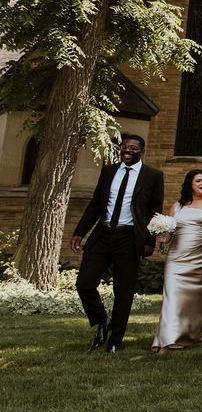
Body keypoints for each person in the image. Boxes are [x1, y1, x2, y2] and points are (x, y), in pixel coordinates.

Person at [72, 134, 164, 353]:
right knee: (84, 283)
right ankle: (102, 321)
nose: (127, 150)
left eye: (133, 147)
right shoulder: (109, 171)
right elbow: (96, 204)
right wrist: (79, 232)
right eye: (124, 146)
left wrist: (149, 241)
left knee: (124, 291)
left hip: (130, 239)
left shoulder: (153, 175)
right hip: (103, 235)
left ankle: (115, 339)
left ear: (142, 150)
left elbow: (155, 210)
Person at [151, 169, 202, 353]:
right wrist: (162, 236)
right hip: (176, 258)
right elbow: (169, 234)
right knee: (171, 297)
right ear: (190, 183)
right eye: (198, 180)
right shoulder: (178, 206)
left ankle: (193, 336)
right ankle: (165, 340)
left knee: (197, 301)